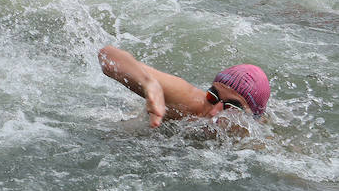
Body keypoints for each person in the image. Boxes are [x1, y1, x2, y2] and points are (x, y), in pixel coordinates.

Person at [98, 45, 270, 126]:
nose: (213, 112)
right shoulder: (187, 100)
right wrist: (148, 83)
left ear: (251, 117)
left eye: (231, 107)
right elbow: (107, 57)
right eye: (212, 96)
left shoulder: (253, 143)